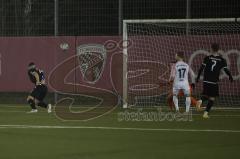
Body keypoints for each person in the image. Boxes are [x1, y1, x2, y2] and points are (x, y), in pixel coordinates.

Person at [196, 43, 233, 118]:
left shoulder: (207, 58)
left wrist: (197, 77)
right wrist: (230, 76)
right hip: (214, 81)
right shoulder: (222, 60)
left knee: (206, 95)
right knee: (212, 98)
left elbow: (201, 69)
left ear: (211, 49)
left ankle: (200, 101)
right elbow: (226, 70)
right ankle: (205, 113)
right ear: (218, 49)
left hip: (206, 81)